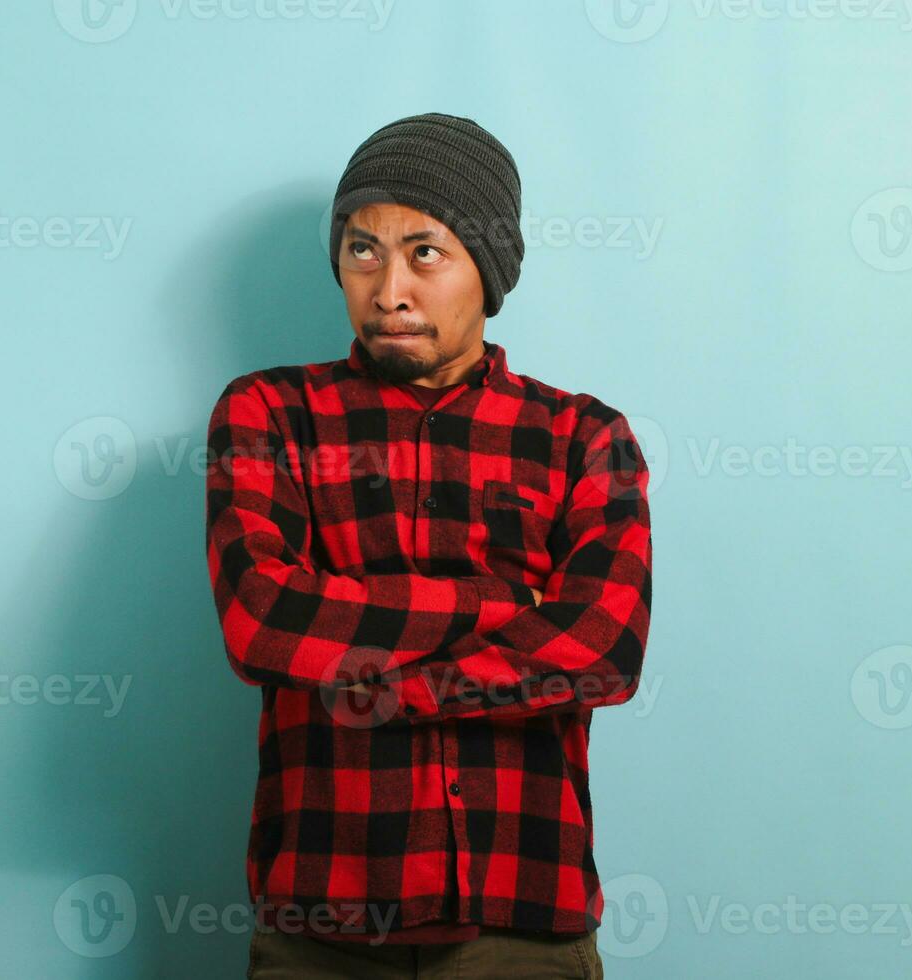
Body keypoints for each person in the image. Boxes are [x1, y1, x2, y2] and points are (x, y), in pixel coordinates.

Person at [205, 111, 653, 979]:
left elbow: (601, 650)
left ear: (488, 272)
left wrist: (383, 683)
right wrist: (498, 608)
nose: (388, 288)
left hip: (520, 920)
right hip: (320, 922)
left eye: (424, 252)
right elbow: (263, 619)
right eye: (362, 250)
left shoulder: (584, 437)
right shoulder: (267, 416)